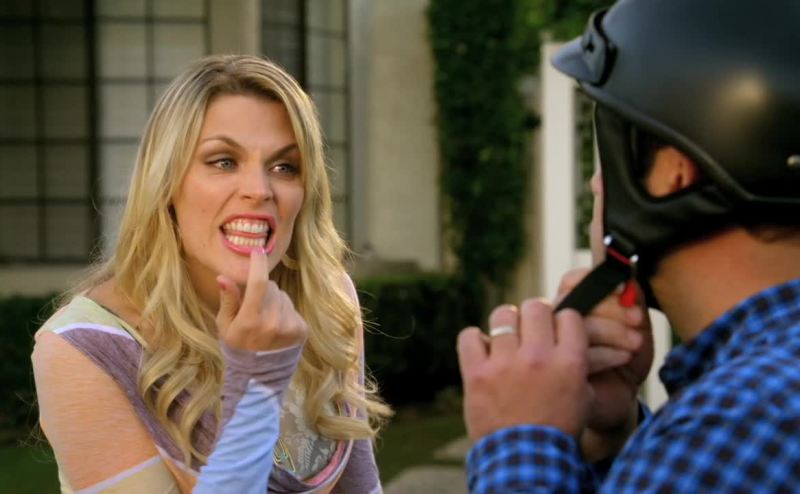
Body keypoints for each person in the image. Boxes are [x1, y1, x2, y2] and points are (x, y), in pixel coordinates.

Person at [457, 0, 800, 492]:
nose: (597, 185)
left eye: (607, 162)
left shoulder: (742, 417)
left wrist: (520, 436)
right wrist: (612, 443)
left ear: (674, 173)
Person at [31, 54, 391, 493]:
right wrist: (257, 385)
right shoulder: (82, 349)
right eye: (223, 161)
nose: (259, 191)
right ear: (167, 181)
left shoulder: (327, 298)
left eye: (285, 167)